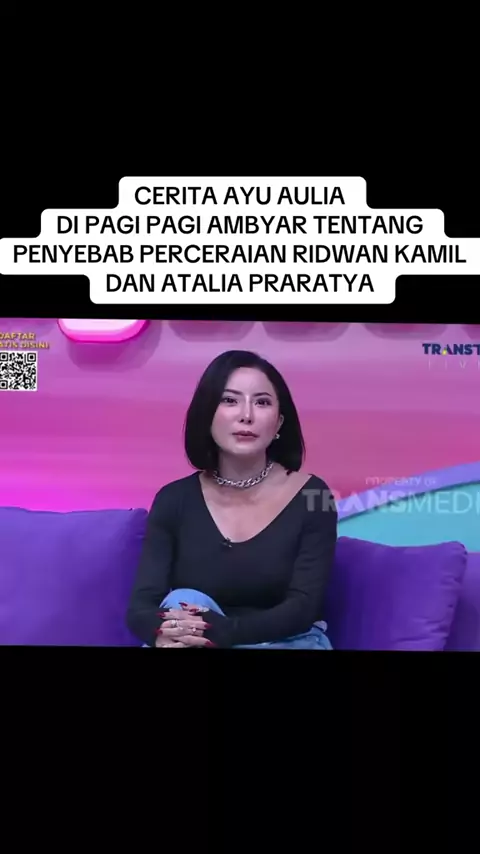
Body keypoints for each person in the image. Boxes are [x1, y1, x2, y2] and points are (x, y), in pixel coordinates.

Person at [126, 349, 338, 649]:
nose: (246, 415)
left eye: (262, 402)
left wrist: (222, 633)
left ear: (279, 423)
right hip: (196, 641)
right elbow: (141, 607)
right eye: (229, 400)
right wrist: (164, 632)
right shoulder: (174, 499)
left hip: (286, 641)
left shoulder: (314, 495)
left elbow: (303, 608)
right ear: (207, 415)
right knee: (182, 601)